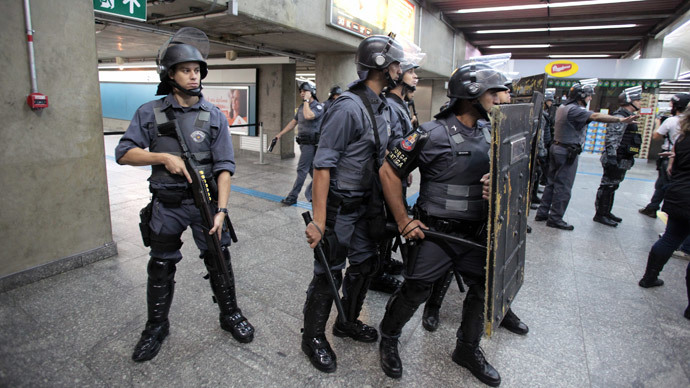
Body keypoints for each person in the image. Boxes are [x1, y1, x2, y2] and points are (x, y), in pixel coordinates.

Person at [377, 63, 528, 387]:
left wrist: (498, 187)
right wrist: (404, 220)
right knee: (416, 288)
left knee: (484, 289)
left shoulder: (494, 132)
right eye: (494, 91)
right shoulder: (429, 133)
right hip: (436, 233)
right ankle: (389, 336)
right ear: (472, 95)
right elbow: (389, 172)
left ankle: (466, 348)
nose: (502, 97)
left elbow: (515, 174)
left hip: (476, 234)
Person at [115, 33, 254, 363]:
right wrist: (162, 158)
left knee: (220, 261)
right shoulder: (150, 112)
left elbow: (224, 167)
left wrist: (221, 210)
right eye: (186, 70)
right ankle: (156, 327)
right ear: (170, 75)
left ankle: (230, 314)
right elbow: (124, 153)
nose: (194, 76)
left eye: (197, 70)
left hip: (204, 204)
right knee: (161, 266)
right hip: (167, 206)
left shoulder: (213, 115)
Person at [302, 34, 405, 373]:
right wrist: (318, 220)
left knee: (365, 265)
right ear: (379, 66)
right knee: (328, 271)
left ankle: (345, 321)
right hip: (339, 207)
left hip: (365, 205)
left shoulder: (380, 105)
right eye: (395, 64)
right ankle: (313, 336)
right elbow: (321, 165)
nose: (400, 69)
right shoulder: (348, 107)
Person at [534, 82, 637, 230]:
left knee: (551, 183)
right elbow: (595, 116)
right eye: (588, 96)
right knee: (563, 186)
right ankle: (555, 218)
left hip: (557, 148)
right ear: (581, 96)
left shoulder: (563, 107)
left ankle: (543, 212)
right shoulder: (575, 110)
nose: (590, 99)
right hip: (567, 151)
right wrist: (620, 119)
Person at [368, 60, 422, 294]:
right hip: (388, 173)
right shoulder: (390, 103)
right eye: (410, 72)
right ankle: (376, 273)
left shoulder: (401, 103)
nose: (413, 76)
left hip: (398, 171)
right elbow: (386, 144)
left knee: (391, 221)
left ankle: (385, 262)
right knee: (385, 223)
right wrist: (396, 169)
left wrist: (405, 169)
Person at [638, 113, 690, 320]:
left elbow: (671, 169)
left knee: (670, 237)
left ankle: (649, 277)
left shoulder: (682, 140)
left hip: (678, 193)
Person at [593, 87, 643, 226]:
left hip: (622, 157)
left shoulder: (627, 116)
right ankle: (600, 214)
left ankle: (606, 211)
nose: (639, 103)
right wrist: (612, 157)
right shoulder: (621, 117)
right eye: (637, 100)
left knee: (613, 186)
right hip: (615, 157)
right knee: (607, 186)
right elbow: (612, 138)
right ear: (629, 101)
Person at [639, 92, 690, 218]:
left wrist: (657, 124)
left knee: (665, 184)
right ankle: (654, 207)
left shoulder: (672, 121)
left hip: (670, 157)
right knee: (665, 184)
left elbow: (656, 136)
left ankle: (660, 209)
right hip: (681, 159)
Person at [275, 82, 324, 205]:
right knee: (313, 171)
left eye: (304, 91)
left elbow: (308, 116)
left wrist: (307, 101)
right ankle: (329, 189)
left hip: (311, 144)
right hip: (303, 144)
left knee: (302, 169)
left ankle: (293, 196)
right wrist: (280, 134)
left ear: (311, 92)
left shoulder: (318, 107)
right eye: (301, 91)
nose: (302, 93)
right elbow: (293, 122)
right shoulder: (302, 107)